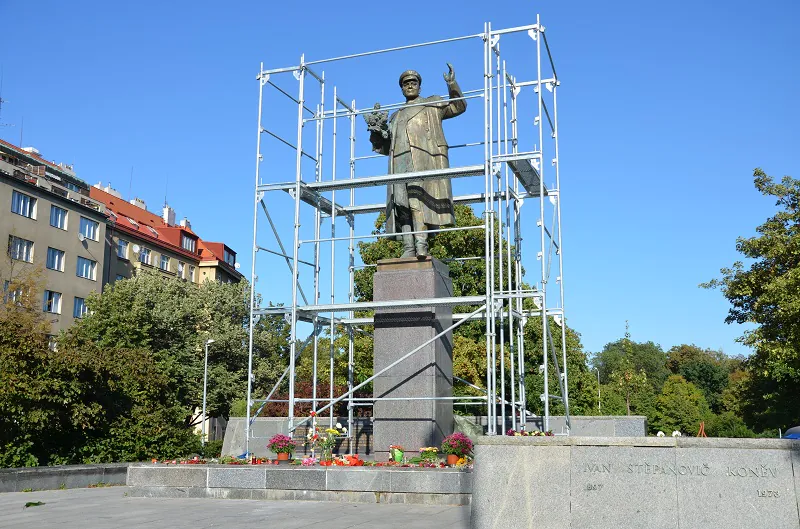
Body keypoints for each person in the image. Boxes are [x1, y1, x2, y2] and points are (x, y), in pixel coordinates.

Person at [367, 64, 467, 257]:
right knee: (401, 206)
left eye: (413, 83)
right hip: (398, 164)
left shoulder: (431, 105)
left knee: (416, 202)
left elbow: (458, 106)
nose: (410, 86)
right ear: (402, 88)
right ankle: (408, 247)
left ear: (420, 87)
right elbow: (385, 147)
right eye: (406, 84)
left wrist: (452, 84)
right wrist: (376, 132)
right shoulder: (395, 116)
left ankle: (421, 244)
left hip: (421, 161)